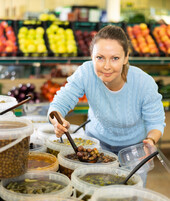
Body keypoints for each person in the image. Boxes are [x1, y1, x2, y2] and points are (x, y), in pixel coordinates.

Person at [48, 25, 165, 183]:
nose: (106, 66)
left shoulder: (144, 83)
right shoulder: (86, 72)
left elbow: (156, 121)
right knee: (94, 191)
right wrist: (57, 120)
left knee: (129, 198)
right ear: (92, 56)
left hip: (133, 151)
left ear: (126, 58)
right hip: (95, 146)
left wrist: (150, 141)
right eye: (100, 57)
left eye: (115, 58)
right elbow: (60, 102)